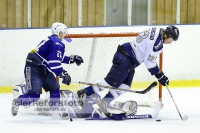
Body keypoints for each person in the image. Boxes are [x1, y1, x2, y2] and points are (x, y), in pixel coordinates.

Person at [77, 25, 179, 119]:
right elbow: (149, 62)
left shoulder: (156, 30)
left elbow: (148, 53)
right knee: (110, 82)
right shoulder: (158, 44)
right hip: (125, 58)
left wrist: (158, 73)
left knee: (125, 86)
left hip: (128, 59)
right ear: (168, 35)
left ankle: (103, 103)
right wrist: (159, 75)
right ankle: (84, 92)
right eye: (172, 39)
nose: (170, 42)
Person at [11, 22, 84, 116]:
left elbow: (56, 58)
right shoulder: (56, 42)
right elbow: (54, 63)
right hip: (33, 68)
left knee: (55, 88)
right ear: (58, 32)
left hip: (44, 69)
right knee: (34, 96)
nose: (65, 34)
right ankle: (17, 102)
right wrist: (63, 73)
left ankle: (55, 109)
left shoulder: (53, 41)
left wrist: (71, 59)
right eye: (63, 32)